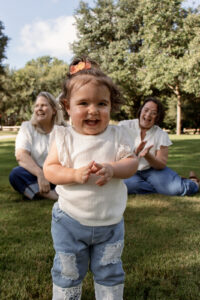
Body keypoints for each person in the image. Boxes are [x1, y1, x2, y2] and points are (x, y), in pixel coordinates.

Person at [43, 57, 139, 300]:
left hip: (110, 224)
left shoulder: (118, 135)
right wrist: (74, 174)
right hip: (70, 222)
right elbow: (50, 170)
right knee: (68, 270)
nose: (93, 110)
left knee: (109, 270)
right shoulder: (64, 137)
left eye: (101, 103)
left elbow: (132, 163)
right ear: (67, 106)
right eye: (83, 103)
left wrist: (113, 169)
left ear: (111, 105)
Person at [119, 97, 199, 196]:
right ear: (141, 111)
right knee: (129, 186)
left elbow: (161, 164)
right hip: (130, 170)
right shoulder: (123, 126)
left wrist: (148, 155)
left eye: (153, 113)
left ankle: (193, 183)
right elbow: (116, 154)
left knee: (175, 190)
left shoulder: (161, 134)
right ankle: (165, 185)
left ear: (157, 117)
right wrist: (135, 152)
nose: (148, 115)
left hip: (152, 170)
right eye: (146, 110)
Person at [9, 91, 66, 200]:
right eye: (37, 106)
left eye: (44, 105)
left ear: (54, 110)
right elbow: (21, 155)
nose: (39, 108)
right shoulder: (27, 127)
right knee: (16, 174)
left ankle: (37, 191)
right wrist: (40, 175)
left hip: (59, 175)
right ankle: (51, 195)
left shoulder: (65, 130)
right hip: (36, 175)